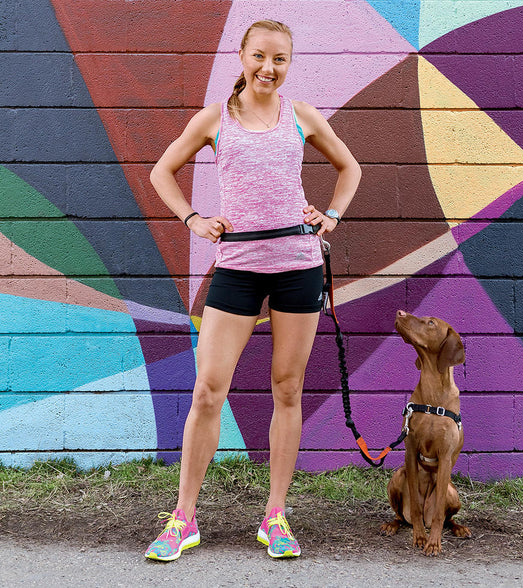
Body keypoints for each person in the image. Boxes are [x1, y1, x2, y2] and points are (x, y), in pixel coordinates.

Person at [144, 19, 361, 562]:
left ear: (289, 63)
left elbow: (349, 167)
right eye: (260, 56)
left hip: (298, 265)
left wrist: (330, 214)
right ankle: (183, 518)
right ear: (241, 57)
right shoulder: (215, 119)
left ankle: (275, 516)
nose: (269, 68)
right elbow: (162, 172)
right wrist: (193, 217)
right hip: (237, 268)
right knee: (207, 390)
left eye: (280, 59)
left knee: (287, 389)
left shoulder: (301, 116)